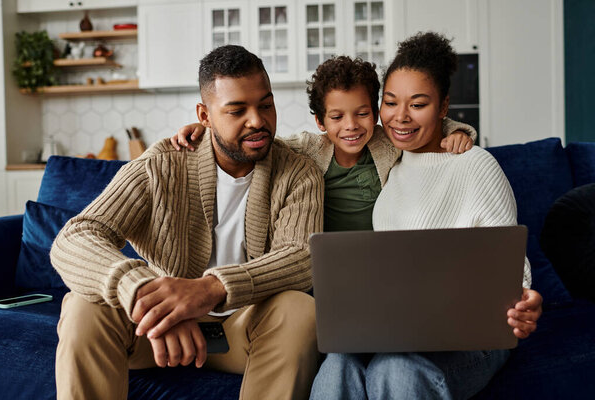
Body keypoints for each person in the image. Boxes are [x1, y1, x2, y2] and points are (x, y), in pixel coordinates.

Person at [50, 45, 324, 400]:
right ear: (204, 115)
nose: (257, 120)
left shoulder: (299, 172)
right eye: (237, 110)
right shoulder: (161, 165)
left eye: (266, 105)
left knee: (300, 310)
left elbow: (302, 257)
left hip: (242, 333)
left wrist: (208, 291)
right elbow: (75, 237)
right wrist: (144, 295)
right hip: (156, 332)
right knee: (82, 306)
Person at [309, 32, 543, 400]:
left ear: (443, 106)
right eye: (390, 103)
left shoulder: (476, 165)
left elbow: (513, 269)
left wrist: (524, 300)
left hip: (470, 337)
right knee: (337, 362)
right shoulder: (390, 165)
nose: (400, 117)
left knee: (395, 369)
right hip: (396, 332)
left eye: (418, 104)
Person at [171, 56, 476, 233]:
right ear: (320, 122)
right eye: (337, 117)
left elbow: (421, 129)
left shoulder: (387, 143)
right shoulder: (308, 149)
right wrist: (206, 127)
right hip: (326, 261)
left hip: (381, 256)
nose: (351, 125)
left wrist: (459, 131)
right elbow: (257, 141)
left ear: (376, 113)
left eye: (363, 113)